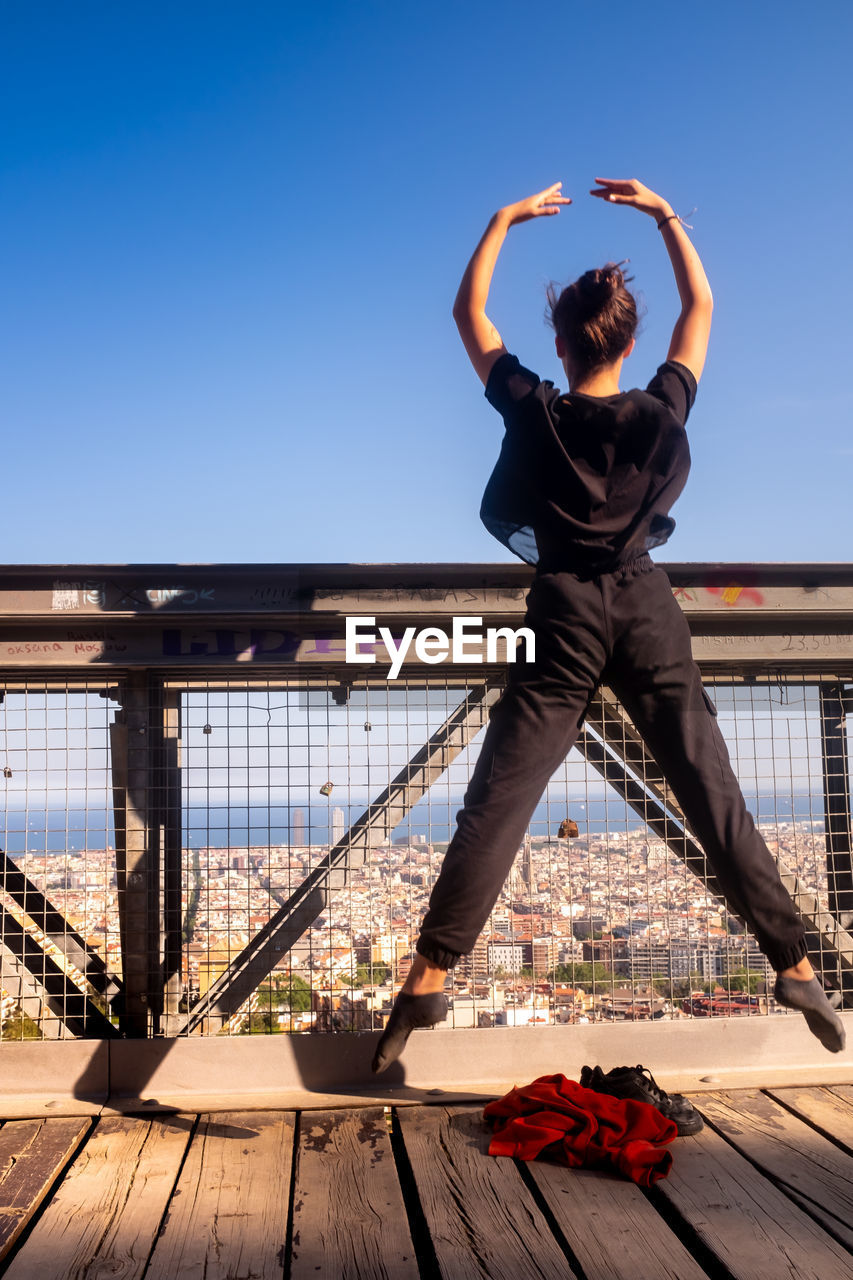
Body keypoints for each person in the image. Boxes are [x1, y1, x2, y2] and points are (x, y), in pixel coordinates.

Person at [372, 177, 845, 1073]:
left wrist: (501, 219)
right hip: (644, 606)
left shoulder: (535, 410)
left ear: (557, 340)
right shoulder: (662, 410)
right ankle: (792, 963)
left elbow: (466, 311)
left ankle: (426, 983)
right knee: (712, 793)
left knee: (498, 802)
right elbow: (700, 304)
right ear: (629, 340)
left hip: (559, 613)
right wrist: (666, 217)